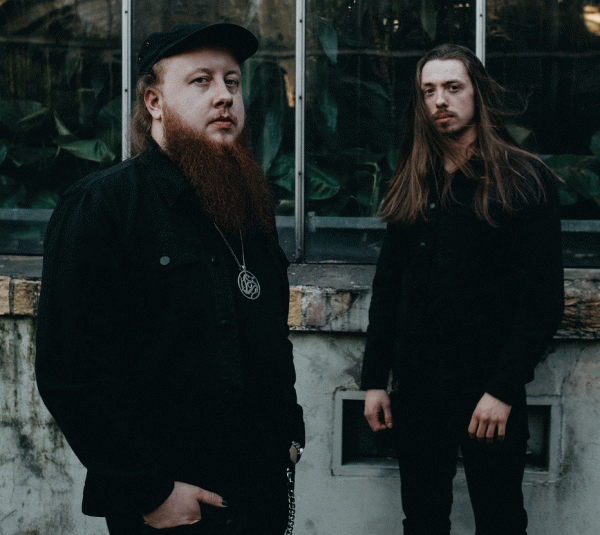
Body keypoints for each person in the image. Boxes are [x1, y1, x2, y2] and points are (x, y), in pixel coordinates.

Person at [35, 22, 304, 535]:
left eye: (232, 81)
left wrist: (290, 434)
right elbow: (69, 371)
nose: (224, 96)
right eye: (201, 81)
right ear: (154, 102)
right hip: (170, 506)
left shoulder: (249, 203)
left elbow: (271, 336)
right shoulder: (102, 205)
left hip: (260, 490)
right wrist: (148, 491)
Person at [361, 43, 564, 535]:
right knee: (422, 519)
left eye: (452, 87)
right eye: (428, 90)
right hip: (417, 389)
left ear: (477, 93)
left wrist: (502, 389)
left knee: (501, 519)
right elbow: (389, 286)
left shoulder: (522, 178)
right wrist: (374, 380)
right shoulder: (416, 177)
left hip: (487, 392)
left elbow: (541, 300)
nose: (440, 101)